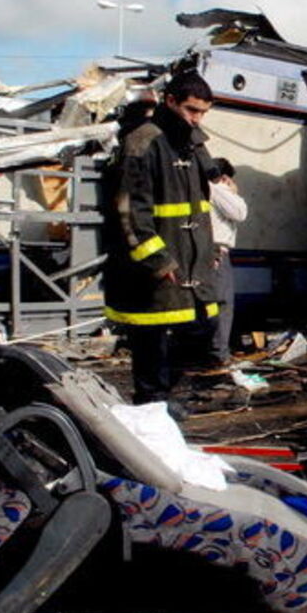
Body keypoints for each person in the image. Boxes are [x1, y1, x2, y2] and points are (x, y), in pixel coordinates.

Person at [104, 71, 221, 416]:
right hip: (156, 264)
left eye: (202, 112)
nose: (196, 118)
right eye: (191, 109)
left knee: (202, 328)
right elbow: (129, 212)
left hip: (191, 259)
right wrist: (157, 260)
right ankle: (151, 404)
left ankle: (162, 396)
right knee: (150, 338)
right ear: (170, 101)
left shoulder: (189, 143)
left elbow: (198, 207)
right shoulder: (143, 143)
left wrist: (209, 250)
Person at [207, 157, 248, 364]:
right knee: (222, 303)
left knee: (210, 303)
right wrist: (234, 192)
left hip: (206, 250)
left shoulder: (201, 189)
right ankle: (218, 354)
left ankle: (212, 351)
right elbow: (240, 213)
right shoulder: (217, 189)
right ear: (224, 177)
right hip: (216, 252)